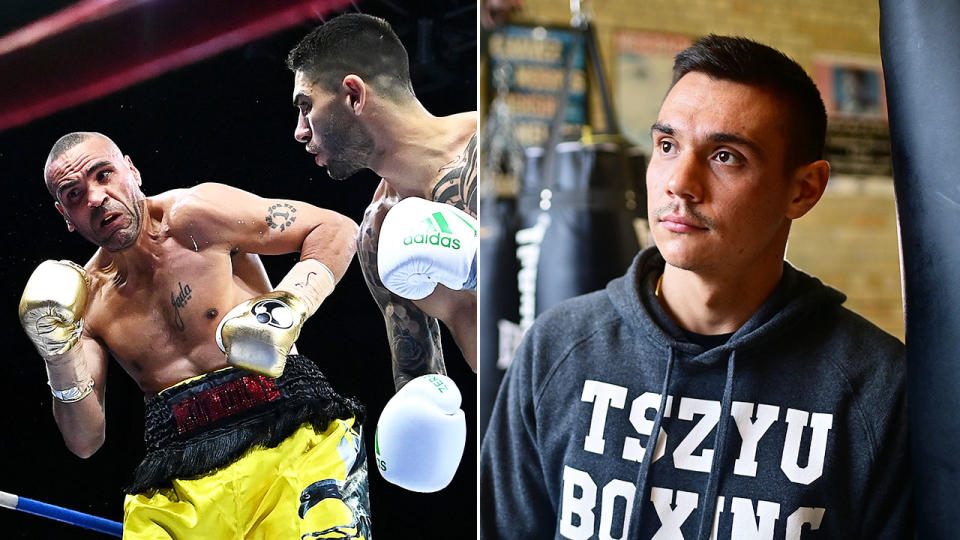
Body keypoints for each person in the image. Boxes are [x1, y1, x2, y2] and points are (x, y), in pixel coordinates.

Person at [480, 35, 911, 539]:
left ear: (804, 189)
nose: (679, 183)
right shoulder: (558, 347)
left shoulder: (876, 387)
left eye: (725, 156)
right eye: (666, 146)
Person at [21, 131, 370, 538]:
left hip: (290, 430)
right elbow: (85, 440)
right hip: (179, 480)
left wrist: (289, 303)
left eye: (104, 175)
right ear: (65, 215)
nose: (96, 198)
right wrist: (57, 353)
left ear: (131, 171)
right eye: (75, 194)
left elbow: (335, 228)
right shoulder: (87, 301)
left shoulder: (196, 216)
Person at [286, 13, 477, 493]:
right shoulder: (379, 233)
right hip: (531, 438)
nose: (300, 132)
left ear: (353, 95)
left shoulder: (498, 151)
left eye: (306, 106)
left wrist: (480, 266)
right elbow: (421, 384)